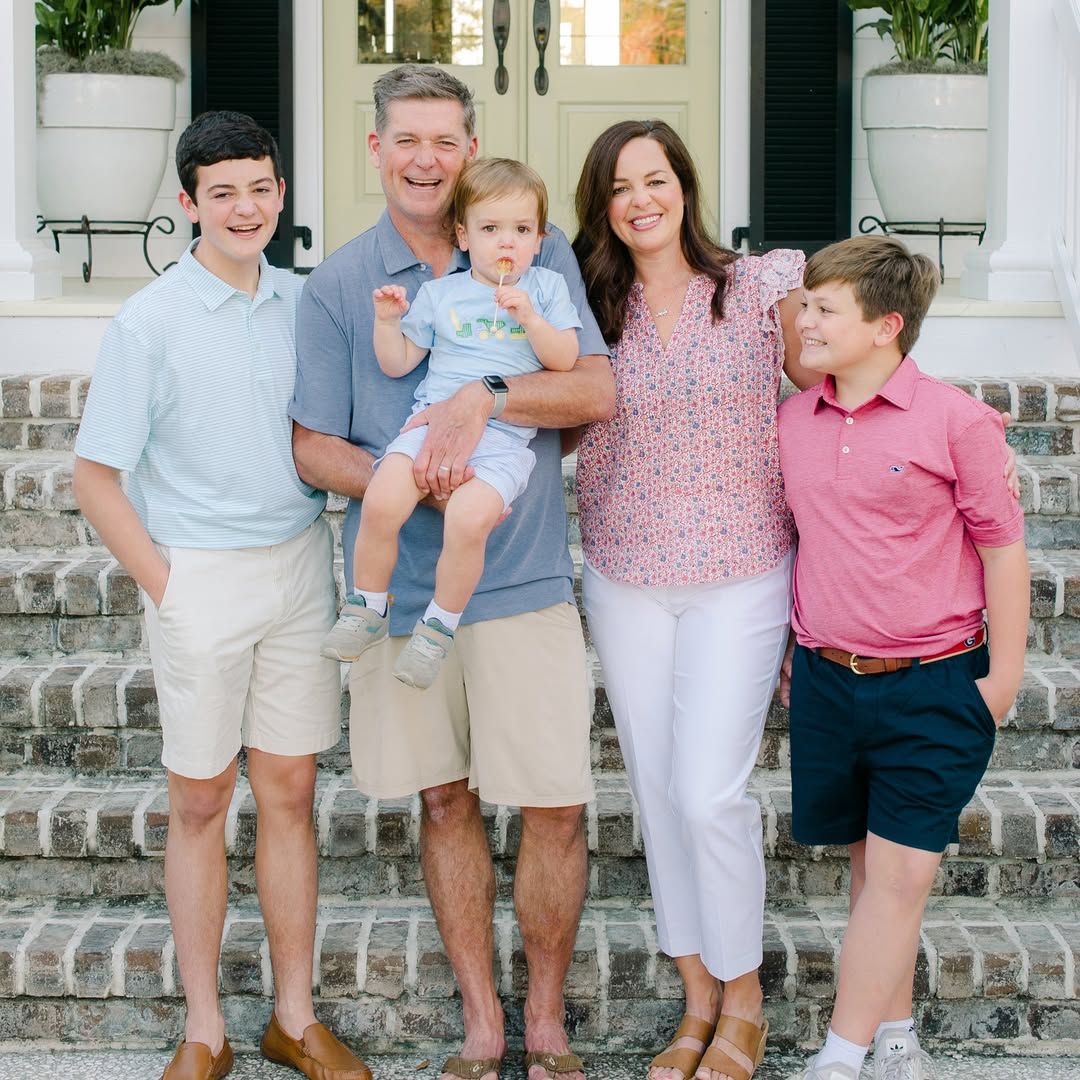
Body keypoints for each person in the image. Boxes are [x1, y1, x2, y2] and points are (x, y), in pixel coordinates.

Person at [289, 65, 613, 1080]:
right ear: (376, 150)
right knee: (444, 803)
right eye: (406, 140)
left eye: (445, 139)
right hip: (403, 592)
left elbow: (594, 387)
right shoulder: (346, 284)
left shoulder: (533, 248)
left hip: (522, 580)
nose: (426, 158)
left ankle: (547, 1022)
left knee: (555, 802)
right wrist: (419, 479)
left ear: (470, 151)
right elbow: (311, 446)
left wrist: (491, 397)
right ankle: (483, 1023)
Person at [72, 112, 371, 1080]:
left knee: (289, 791)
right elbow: (94, 478)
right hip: (198, 574)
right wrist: (167, 587)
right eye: (223, 193)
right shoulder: (147, 323)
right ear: (188, 204)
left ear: (281, 194)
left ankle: (293, 1016)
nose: (245, 208)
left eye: (260, 188)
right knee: (200, 800)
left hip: (297, 569)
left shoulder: (306, 302)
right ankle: (205, 1028)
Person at [571, 119, 822, 1080]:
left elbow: (829, 369)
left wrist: (951, 420)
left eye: (656, 179)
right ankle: (696, 1005)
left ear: (684, 185)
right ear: (602, 207)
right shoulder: (589, 310)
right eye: (620, 188)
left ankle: (745, 1003)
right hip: (626, 572)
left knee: (710, 789)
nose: (641, 200)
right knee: (655, 788)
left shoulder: (760, 287)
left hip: (744, 569)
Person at [777, 236, 1028, 1080]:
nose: (802, 321)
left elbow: (1003, 549)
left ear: (885, 327)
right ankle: (894, 1035)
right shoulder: (792, 420)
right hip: (827, 680)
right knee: (871, 868)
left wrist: (1004, 678)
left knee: (900, 874)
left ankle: (839, 1059)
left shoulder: (957, 420)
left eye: (822, 309)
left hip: (935, 683)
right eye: (805, 303)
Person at [320, 158, 581, 690]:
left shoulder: (547, 287)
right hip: (430, 426)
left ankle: (437, 628)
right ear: (463, 235)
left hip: (503, 442)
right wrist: (388, 322)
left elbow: (565, 358)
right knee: (384, 498)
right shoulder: (442, 294)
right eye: (490, 229)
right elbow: (398, 361)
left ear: (539, 238)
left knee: (468, 521)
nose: (505, 243)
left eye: (521, 230)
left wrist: (530, 318)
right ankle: (366, 606)